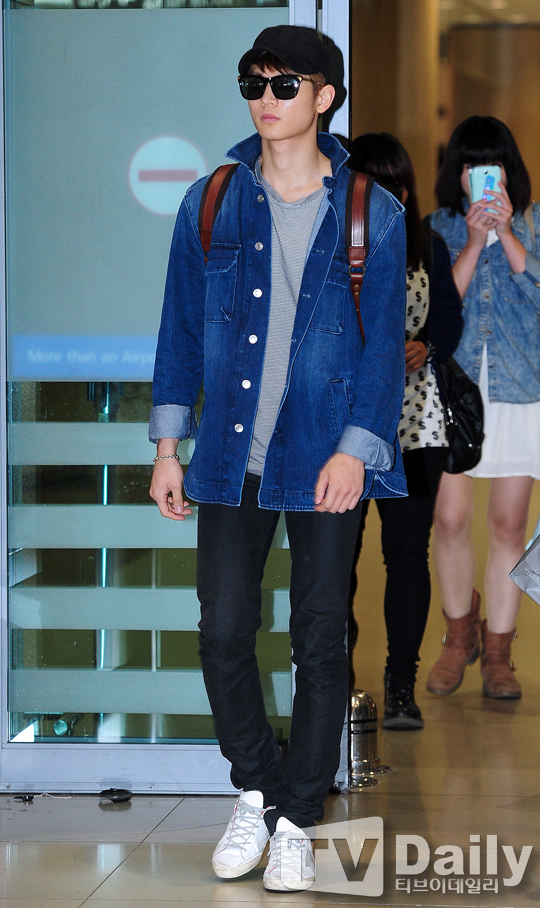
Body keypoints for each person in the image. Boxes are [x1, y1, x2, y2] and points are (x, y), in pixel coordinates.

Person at [148, 25, 406, 893]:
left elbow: (382, 352)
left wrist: (356, 451)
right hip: (231, 457)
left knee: (319, 638)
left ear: (324, 96)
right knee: (222, 629)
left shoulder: (370, 210)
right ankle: (256, 790)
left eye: (284, 84)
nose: (266, 98)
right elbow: (180, 330)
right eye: (253, 83)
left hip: (325, 455)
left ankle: (298, 816)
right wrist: (168, 446)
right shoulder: (212, 201)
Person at [348, 133, 463, 729]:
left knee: (407, 556)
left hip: (416, 425)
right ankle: (335, 680)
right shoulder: (334, 241)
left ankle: (400, 684)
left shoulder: (429, 245)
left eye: (398, 182)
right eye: (376, 182)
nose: (390, 193)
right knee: (335, 560)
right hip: (343, 426)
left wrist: (428, 345)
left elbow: (448, 315)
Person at [426, 115, 540, 700]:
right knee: (448, 519)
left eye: (492, 165)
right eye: (471, 165)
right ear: (458, 172)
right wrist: (474, 243)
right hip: (455, 394)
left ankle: (498, 651)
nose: (481, 176)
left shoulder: (536, 223)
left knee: (508, 526)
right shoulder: (438, 228)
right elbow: (434, 310)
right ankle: (457, 636)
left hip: (521, 393)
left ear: (509, 170)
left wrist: (509, 236)